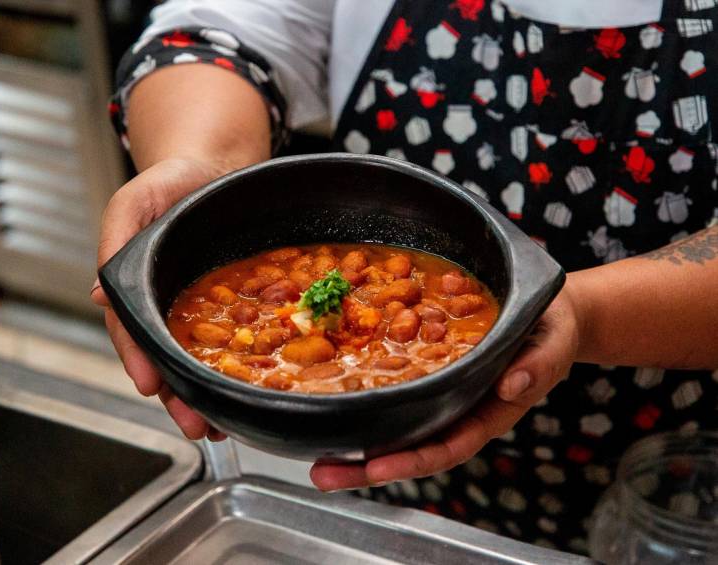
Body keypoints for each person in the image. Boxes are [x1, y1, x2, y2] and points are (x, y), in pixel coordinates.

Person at [92, 0, 718, 552]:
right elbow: (214, 34)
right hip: (402, 468)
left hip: (677, 495)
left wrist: (579, 313)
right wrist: (201, 167)